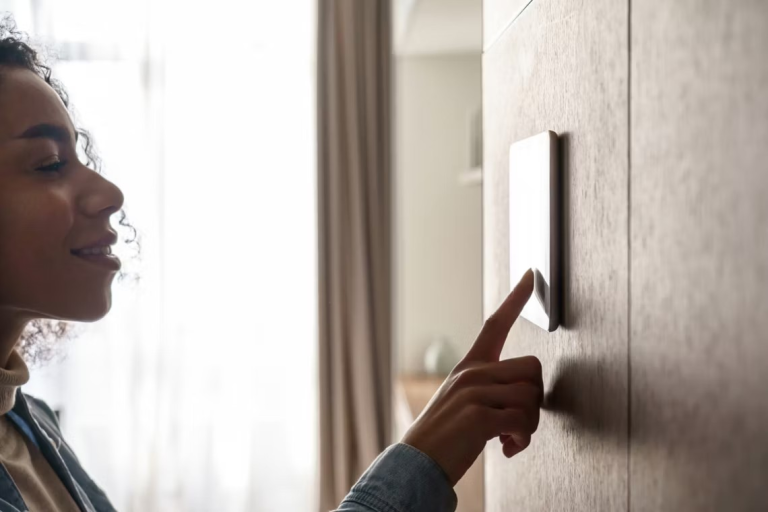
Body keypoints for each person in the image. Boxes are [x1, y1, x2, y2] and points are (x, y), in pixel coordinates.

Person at [0, 17, 543, 512]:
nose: (110, 191)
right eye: (49, 164)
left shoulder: (32, 427)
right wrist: (423, 459)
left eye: (80, 157)